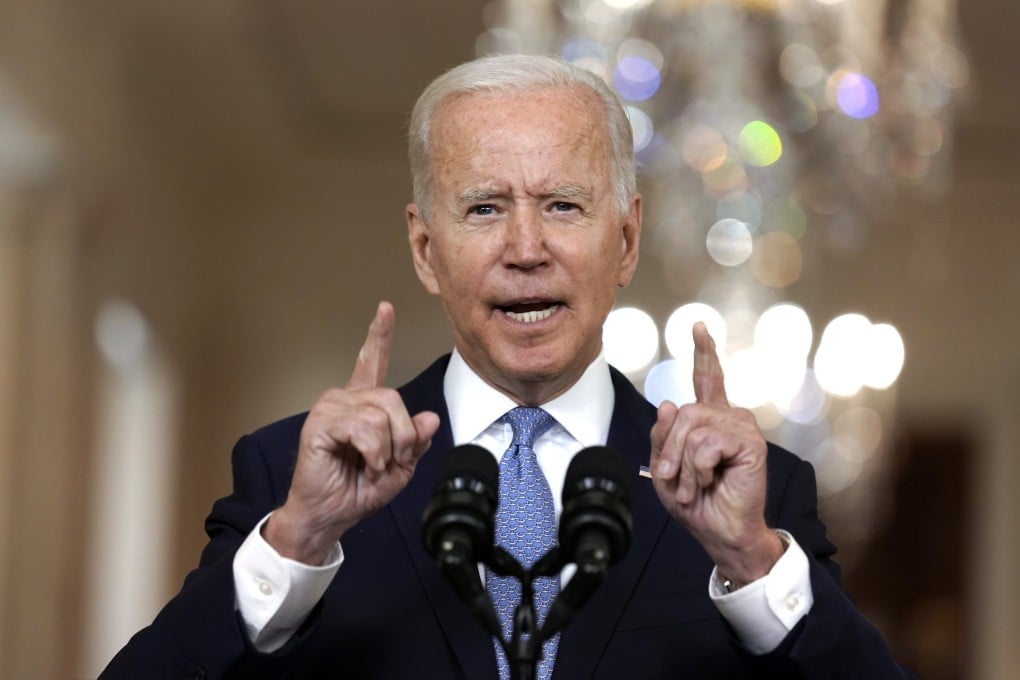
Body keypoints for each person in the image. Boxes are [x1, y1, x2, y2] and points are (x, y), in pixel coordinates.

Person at [102, 54, 907, 679]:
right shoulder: (289, 479)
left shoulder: (755, 498)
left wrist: (751, 564)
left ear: (625, 241)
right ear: (426, 248)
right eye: (484, 208)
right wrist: (298, 540)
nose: (527, 250)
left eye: (563, 205)